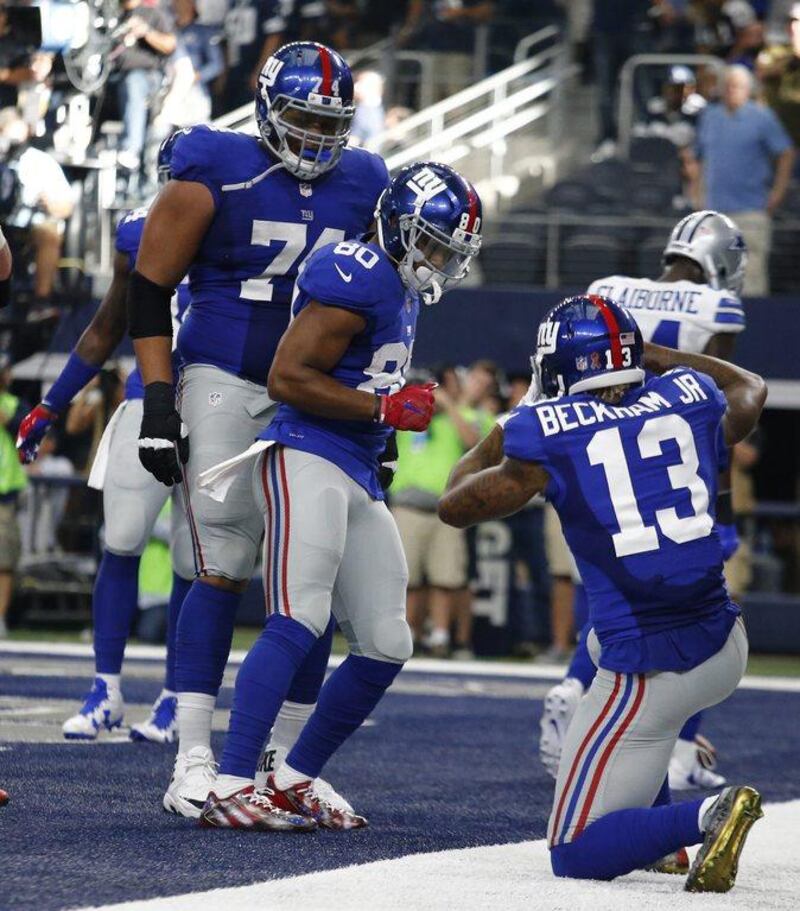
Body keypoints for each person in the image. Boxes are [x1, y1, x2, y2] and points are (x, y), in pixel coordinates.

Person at [128, 42, 389, 818]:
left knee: (312, 579)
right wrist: (157, 398)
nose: (315, 136)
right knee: (221, 562)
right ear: (270, 107)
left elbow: (379, 305)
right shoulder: (215, 165)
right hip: (224, 377)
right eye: (303, 117)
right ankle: (195, 761)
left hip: (314, 397)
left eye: (329, 122)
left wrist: (377, 403)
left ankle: (280, 764)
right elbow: (149, 292)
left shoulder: (366, 182)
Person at [439, 295, 767, 891]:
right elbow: (749, 388)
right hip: (725, 642)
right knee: (592, 645)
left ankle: (705, 815)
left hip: (650, 665)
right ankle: (661, 843)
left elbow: (454, 503)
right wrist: (656, 355)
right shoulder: (687, 395)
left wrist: (505, 426)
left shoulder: (547, 434)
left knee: (577, 851)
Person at [196, 161, 482, 830]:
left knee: (387, 639)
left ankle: (294, 774)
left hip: (354, 466)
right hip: (306, 453)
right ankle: (232, 780)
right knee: (297, 616)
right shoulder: (355, 270)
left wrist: (380, 417)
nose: (437, 260)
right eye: (432, 243)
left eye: (449, 250)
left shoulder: (398, 289)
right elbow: (287, 376)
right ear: (396, 226)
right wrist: (382, 409)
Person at [538, 212, 748, 803]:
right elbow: (722, 418)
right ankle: (677, 748)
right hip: (676, 476)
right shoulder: (716, 308)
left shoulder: (607, 290)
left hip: (598, 462)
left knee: (619, 604)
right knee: (696, 613)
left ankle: (579, 685)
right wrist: (722, 512)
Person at [15, 136, 194, 743]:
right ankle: (106, 689)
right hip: (149, 399)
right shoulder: (140, 233)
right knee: (119, 541)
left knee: (197, 560)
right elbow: (107, 326)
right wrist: (51, 402)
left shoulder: (248, 235)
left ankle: (177, 697)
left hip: (219, 403)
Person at [391, 368, 489, 658]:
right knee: (408, 579)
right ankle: (408, 634)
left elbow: (474, 443)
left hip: (445, 510)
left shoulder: (461, 417)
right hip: (407, 507)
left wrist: (448, 406)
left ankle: (440, 637)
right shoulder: (404, 418)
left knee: (445, 579)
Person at [685, 64, 794, 295]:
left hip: (751, 211)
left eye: (737, 86)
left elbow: (786, 153)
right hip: (714, 213)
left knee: (751, 283)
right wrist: (696, 194)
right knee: (712, 283)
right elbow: (697, 158)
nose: (732, 90)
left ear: (748, 89)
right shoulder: (710, 117)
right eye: (728, 86)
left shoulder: (762, 117)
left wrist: (777, 193)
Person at [0, 108, 74, 318]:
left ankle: (41, 302)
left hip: (30, 225)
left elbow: (66, 206)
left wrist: (47, 202)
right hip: (2, 227)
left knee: (48, 233)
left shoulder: (40, 161)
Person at [112, 0, 177, 172]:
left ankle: (130, 148)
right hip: (113, 76)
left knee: (133, 81)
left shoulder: (153, 13)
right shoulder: (111, 14)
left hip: (147, 76)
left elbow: (170, 44)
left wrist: (146, 32)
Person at [0, 351, 27, 639]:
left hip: (4, 494)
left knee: (3, 561)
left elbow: (27, 435)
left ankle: (1, 617)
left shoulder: (14, 404)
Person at [757, 2, 800, 149]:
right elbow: (762, 72)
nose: (794, 28)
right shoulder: (775, 51)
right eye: (792, 22)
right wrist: (792, 59)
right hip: (780, 131)